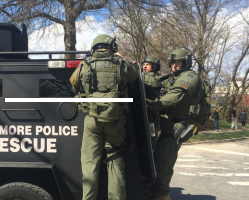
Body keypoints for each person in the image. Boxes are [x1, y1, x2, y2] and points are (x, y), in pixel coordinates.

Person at [70, 34, 139, 200]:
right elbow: (135, 76)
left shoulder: (85, 64)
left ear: (94, 47)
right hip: (115, 120)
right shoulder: (121, 64)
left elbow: (73, 82)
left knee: (90, 165)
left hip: (92, 121)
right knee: (115, 164)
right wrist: (123, 59)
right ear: (112, 47)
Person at [148, 49, 201, 200]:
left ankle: (163, 195)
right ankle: (156, 191)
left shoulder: (190, 77)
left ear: (186, 63)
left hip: (178, 124)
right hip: (169, 123)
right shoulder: (173, 77)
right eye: (172, 63)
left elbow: (176, 95)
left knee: (164, 162)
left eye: (178, 63)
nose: (174, 66)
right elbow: (155, 82)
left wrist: (153, 106)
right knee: (158, 159)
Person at [142, 56, 163, 149]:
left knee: (151, 137)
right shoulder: (141, 76)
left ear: (154, 67)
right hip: (140, 111)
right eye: (144, 64)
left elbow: (151, 81)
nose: (144, 66)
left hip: (151, 113)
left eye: (148, 64)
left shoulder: (157, 78)